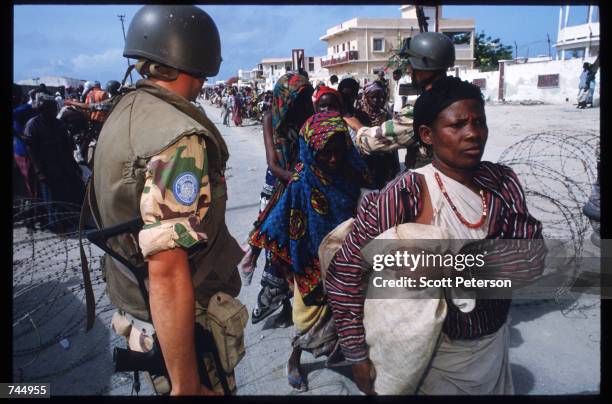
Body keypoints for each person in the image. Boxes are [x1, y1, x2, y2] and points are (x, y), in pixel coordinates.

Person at [325, 76, 546, 395]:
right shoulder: (406, 193)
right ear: (427, 135)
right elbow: (345, 272)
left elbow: (532, 259)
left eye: (479, 122)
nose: (473, 133)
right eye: (457, 125)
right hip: (432, 361)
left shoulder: (501, 183)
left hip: (493, 349)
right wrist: (357, 355)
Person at [87, 5, 244, 395]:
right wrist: (186, 385)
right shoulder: (179, 137)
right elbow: (168, 269)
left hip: (139, 308)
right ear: (199, 57)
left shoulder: (125, 110)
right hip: (182, 325)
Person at [250, 112, 370, 390]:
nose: (332, 159)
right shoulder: (301, 181)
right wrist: (287, 267)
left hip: (349, 262)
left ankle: (357, 361)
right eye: (326, 153)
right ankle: (294, 359)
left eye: (339, 152)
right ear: (311, 149)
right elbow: (277, 226)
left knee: (354, 319)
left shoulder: (352, 174)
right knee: (306, 323)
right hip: (311, 266)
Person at [240, 73, 314, 324]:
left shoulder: (309, 119)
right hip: (279, 185)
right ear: (286, 97)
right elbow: (273, 163)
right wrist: (294, 180)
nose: (305, 102)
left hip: (303, 185)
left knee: (302, 246)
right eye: (300, 97)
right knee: (275, 247)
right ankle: (281, 303)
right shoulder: (271, 119)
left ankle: (301, 303)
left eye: (307, 96)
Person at [344, 31, 455, 175]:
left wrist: (356, 125)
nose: (407, 70)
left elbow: (373, 141)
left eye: (410, 63)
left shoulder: (424, 109)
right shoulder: (460, 93)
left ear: (422, 65)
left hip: (436, 182)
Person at [23, 94, 84, 233]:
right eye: (49, 109)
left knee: (68, 195)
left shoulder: (58, 124)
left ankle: (71, 221)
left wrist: (74, 166)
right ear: (42, 110)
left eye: (54, 109)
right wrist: (39, 171)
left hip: (63, 165)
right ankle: (55, 225)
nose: (53, 112)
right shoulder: (33, 125)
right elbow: (31, 150)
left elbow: (67, 147)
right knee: (51, 198)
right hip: (46, 167)